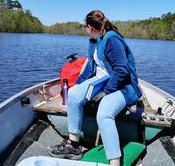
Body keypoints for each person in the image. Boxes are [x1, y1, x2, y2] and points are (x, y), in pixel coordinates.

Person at [48, 10, 142, 166]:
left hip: (123, 85)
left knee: (104, 112)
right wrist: (78, 84)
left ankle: (114, 161)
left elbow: (121, 70)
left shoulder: (112, 40)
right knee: (73, 94)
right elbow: (90, 66)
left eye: (85, 27)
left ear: (90, 27)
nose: (85, 30)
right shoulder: (94, 40)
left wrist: (105, 92)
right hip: (101, 80)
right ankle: (73, 145)